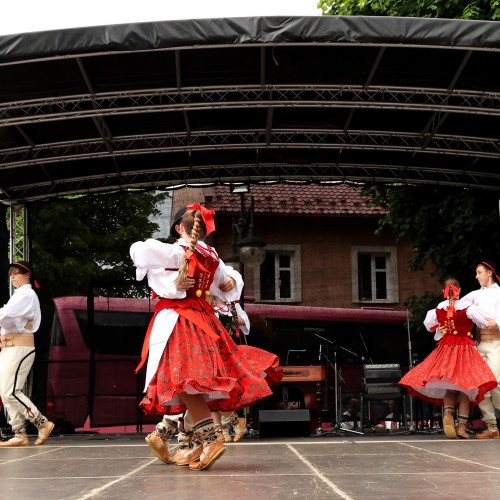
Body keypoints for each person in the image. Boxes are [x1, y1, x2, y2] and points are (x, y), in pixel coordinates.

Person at [130, 204, 282, 470]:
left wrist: (174, 285)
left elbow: (139, 251)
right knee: (197, 381)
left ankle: (205, 440)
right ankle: (192, 445)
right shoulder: (208, 253)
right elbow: (224, 278)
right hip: (203, 321)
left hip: (182, 321)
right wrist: (230, 282)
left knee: (185, 381)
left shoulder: (177, 251)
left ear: (179, 228)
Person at [399, 277, 497, 439]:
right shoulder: (468, 308)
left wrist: (444, 326)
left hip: (445, 350)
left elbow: (429, 326)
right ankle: (462, 427)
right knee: (467, 388)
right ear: (459, 290)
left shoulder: (438, 309)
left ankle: (449, 414)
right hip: (465, 350)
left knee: (450, 386)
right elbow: (482, 323)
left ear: (443, 291)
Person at [0, 261, 54, 447]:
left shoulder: (26, 294)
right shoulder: (19, 295)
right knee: (6, 391)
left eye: (16, 273)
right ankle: (19, 433)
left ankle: (42, 423)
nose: (12, 277)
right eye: (11, 274)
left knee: (10, 391)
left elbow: (5, 316)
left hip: (20, 346)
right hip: (10, 347)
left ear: (27, 275)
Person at [461, 261, 500, 439]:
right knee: (478, 387)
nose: (476, 276)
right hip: (480, 344)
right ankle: (492, 426)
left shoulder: (499, 293)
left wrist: (494, 323)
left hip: (496, 343)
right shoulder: (475, 295)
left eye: (479, 272)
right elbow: (458, 305)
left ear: (489, 273)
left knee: (496, 384)